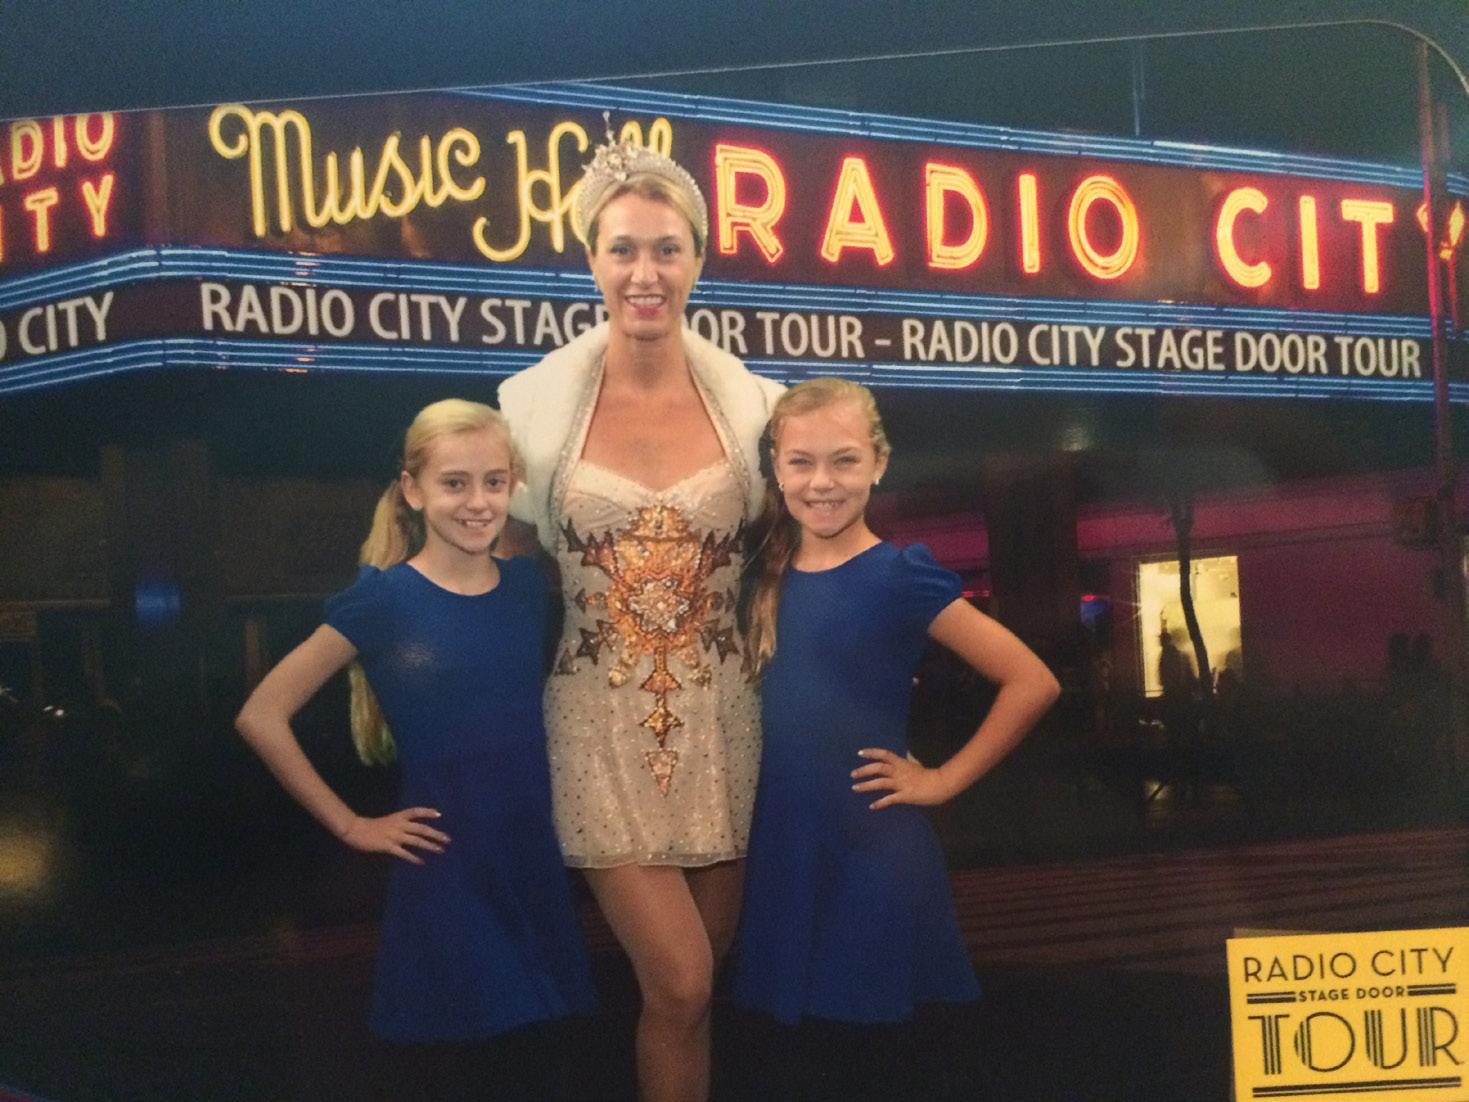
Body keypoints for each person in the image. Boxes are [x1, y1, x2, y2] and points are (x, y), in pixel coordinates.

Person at [497, 124, 783, 1102]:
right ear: (591, 262)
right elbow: (503, 565)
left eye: (667, 248)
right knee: (681, 978)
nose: (644, 272)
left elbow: (790, 550)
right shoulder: (531, 409)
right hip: (593, 726)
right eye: (622, 249)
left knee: (696, 990)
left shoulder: (757, 408)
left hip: (726, 721)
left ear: (698, 259)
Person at [234, 400, 596, 1091]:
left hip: (532, 855)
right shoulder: (384, 600)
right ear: (412, 489)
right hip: (448, 864)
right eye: (454, 483)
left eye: (494, 482)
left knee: (542, 1061)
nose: (477, 501)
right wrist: (351, 825)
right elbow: (261, 714)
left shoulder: (527, 587)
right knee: (460, 1065)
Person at [733, 378, 1059, 1035]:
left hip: (871, 851)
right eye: (801, 462)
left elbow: (1032, 681)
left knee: (876, 1048)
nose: (822, 482)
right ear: (776, 467)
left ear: (878, 463)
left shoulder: (899, 574)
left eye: (844, 460)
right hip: (782, 850)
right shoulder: (759, 576)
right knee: (791, 1054)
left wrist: (942, 780)